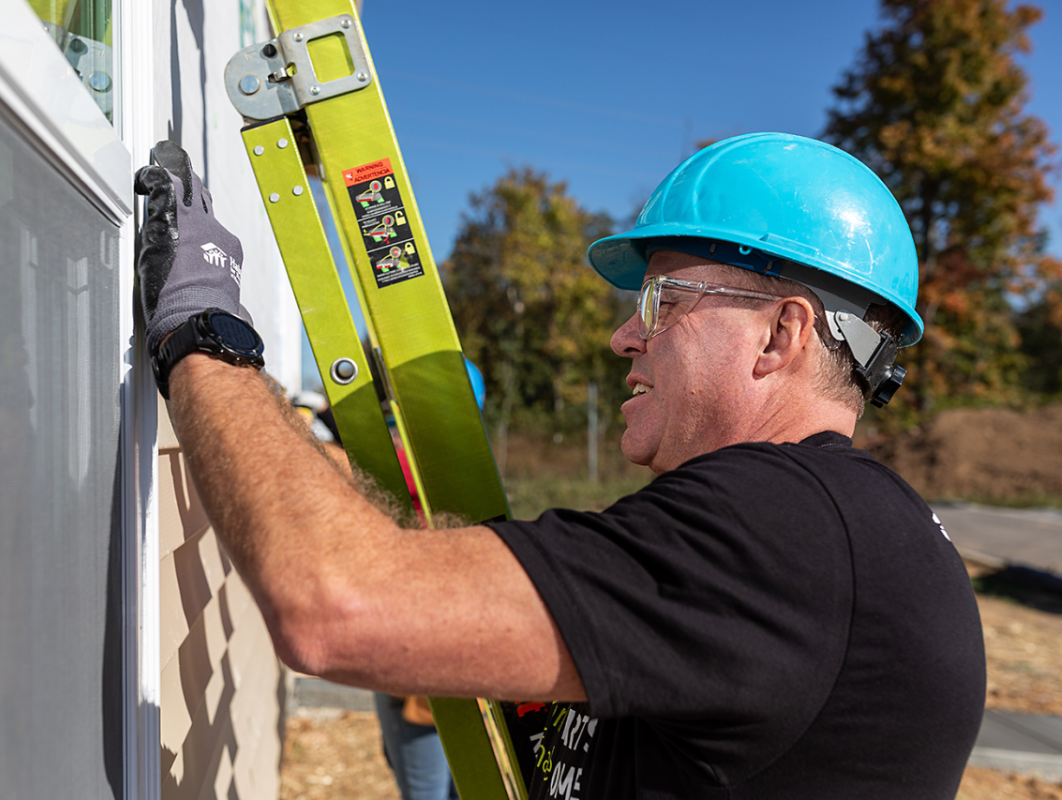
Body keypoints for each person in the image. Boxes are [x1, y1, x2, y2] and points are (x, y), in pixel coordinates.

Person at [134, 134, 986, 799]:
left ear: (781, 334)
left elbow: (333, 602)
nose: (625, 336)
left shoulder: (784, 529)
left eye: (663, 301)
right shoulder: (834, 529)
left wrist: (202, 334)